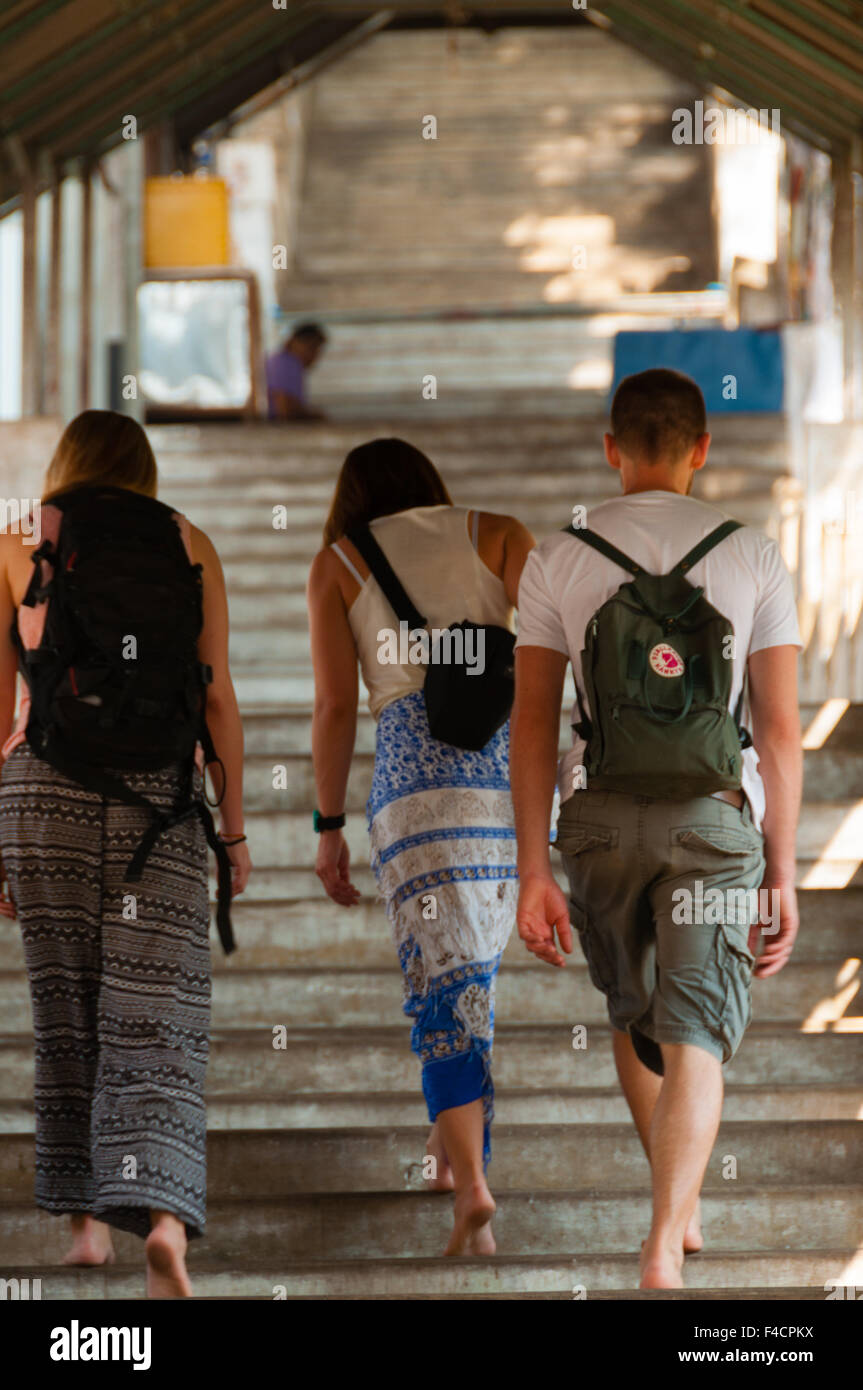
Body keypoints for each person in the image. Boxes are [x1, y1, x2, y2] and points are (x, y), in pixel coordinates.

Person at [510, 369, 802, 1289]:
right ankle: (660, 1242)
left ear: (612, 450)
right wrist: (782, 869)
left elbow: (528, 726)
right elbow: (782, 731)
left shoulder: (558, 555)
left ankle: (680, 1212)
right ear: (700, 448)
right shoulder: (753, 554)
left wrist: (530, 867)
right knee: (697, 1029)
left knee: (636, 1016)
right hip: (714, 824)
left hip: (595, 822)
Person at [0, 410, 252, 1298]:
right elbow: (218, 702)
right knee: (159, 1016)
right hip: (160, 801)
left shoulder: (18, 539)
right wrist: (235, 830)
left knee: (66, 1009)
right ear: (143, 470)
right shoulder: (190, 541)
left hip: (43, 794)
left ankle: (82, 1233)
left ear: (64, 463)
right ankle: (165, 1228)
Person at [307, 438, 534, 1256]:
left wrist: (325, 826)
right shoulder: (501, 533)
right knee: (472, 976)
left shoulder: (337, 563)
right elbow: (548, 657)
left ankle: (469, 1180)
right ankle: (453, 1155)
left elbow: (336, 706)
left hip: (408, 790)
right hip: (496, 785)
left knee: (438, 981)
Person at [266, 322, 328, 421]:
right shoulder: (288, 363)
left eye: (317, 350)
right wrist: (314, 417)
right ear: (291, 342)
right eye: (311, 348)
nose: (314, 355)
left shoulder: (281, 360)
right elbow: (284, 409)